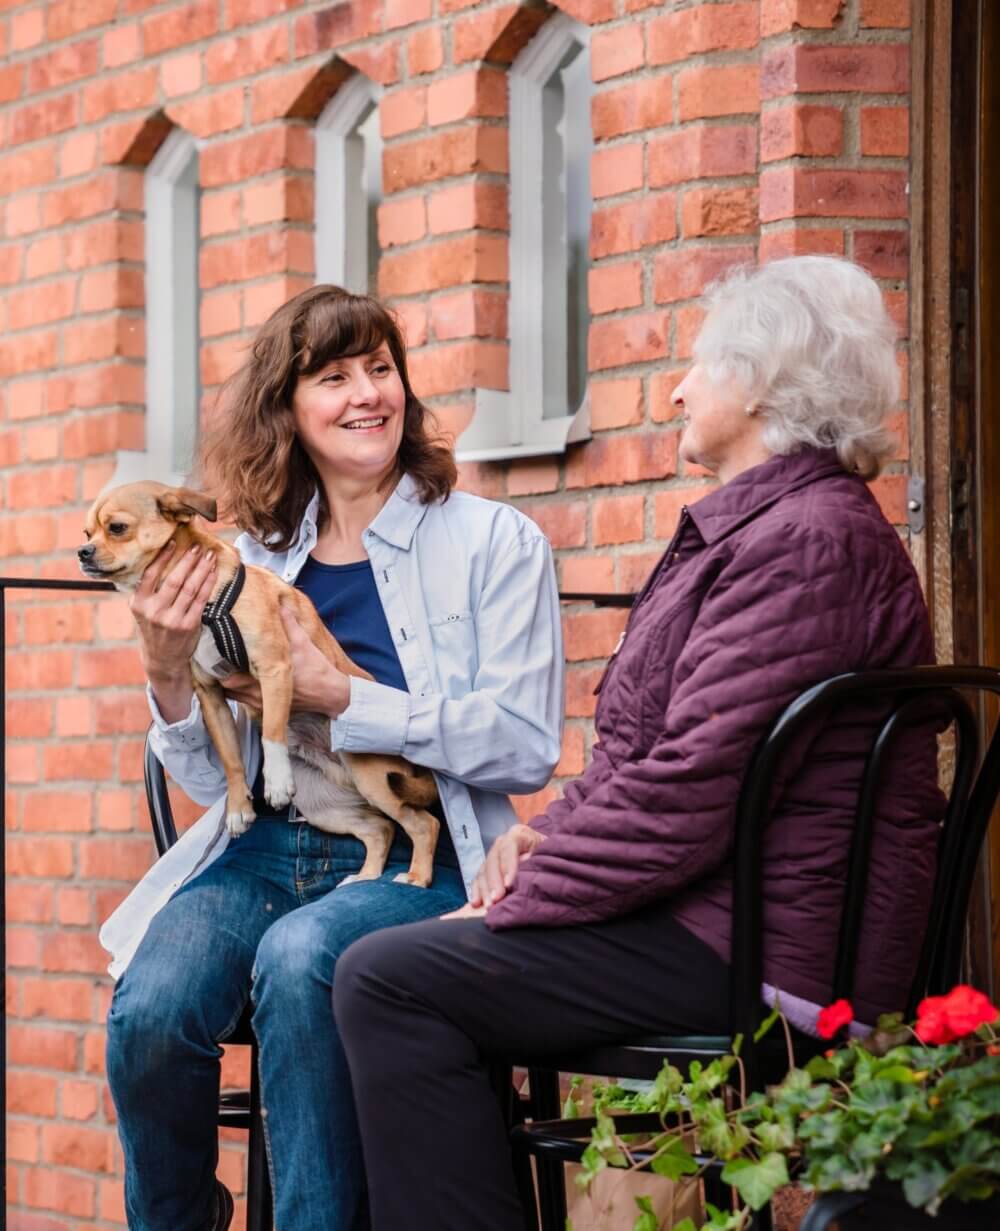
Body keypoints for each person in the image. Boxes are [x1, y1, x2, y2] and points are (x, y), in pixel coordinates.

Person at [332, 256, 945, 1231]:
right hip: (716, 914)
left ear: (756, 385)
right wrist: (538, 841)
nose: (677, 387)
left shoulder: (804, 542)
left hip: (766, 948)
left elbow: (691, 786)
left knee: (390, 978)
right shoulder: (769, 528)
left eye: (698, 365)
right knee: (395, 962)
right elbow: (645, 757)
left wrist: (524, 896)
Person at [100, 286, 564, 1231]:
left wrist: (346, 696)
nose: (367, 394)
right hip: (266, 850)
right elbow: (204, 780)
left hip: (420, 859)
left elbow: (525, 745)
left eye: (381, 369)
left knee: (302, 956)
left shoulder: (492, 542)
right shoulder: (247, 558)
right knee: (152, 1005)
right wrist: (165, 670)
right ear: (289, 410)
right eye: (333, 376)